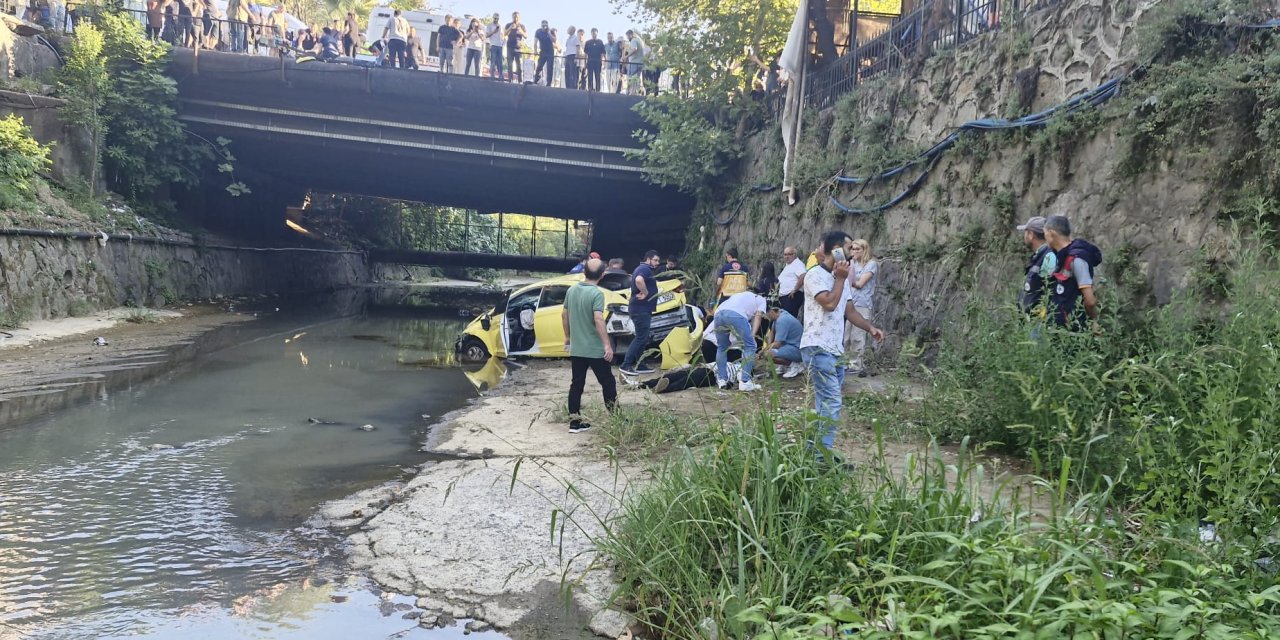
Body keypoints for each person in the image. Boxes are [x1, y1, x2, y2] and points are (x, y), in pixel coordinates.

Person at [802, 231, 884, 450]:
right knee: (831, 402)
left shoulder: (843, 279)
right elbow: (828, 303)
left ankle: (815, 452)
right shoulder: (814, 275)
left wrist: (870, 328)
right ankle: (821, 458)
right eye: (849, 249)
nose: (852, 254)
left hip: (834, 350)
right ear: (836, 250)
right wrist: (839, 278)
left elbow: (849, 310)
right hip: (817, 346)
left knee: (824, 404)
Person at [562, 258, 617, 434]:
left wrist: (568, 338)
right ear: (602, 275)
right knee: (608, 382)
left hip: (577, 348)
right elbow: (598, 319)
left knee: (576, 384)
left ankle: (574, 422)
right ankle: (616, 418)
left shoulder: (572, 290)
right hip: (594, 349)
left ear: (584, 272)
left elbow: (564, 315)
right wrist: (607, 345)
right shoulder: (597, 294)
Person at [1044, 215, 1102, 331]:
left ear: (1051, 233)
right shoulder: (1061, 257)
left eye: (1044, 233)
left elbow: (1090, 301)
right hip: (1060, 331)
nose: (1044, 237)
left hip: (1074, 333)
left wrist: (1093, 322)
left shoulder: (1077, 259)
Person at [714, 290, 767, 391]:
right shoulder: (761, 299)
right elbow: (758, 316)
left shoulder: (738, 295)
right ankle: (745, 382)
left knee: (722, 347)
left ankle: (722, 380)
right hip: (736, 314)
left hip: (719, 312)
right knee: (750, 346)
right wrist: (753, 334)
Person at [620, 250, 661, 376]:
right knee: (641, 338)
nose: (657, 263)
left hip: (641, 309)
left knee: (642, 338)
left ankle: (640, 364)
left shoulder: (642, 268)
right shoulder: (645, 269)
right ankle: (626, 365)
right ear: (648, 259)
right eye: (655, 260)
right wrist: (646, 292)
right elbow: (638, 280)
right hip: (640, 310)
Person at [844, 239, 878, 377]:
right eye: (852, 248)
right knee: (847, 336)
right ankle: (845, 362)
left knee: (857, 336)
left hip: (863, 303)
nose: (854, 251)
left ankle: (856, 364)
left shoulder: (871, 264)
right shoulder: (852, 264)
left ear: (864, 250)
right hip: (850, 302)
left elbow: (860, 283)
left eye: (857, 249)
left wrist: (846, 277)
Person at [1017, 216, 1056, 319]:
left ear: (1031, 235)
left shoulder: (1049, 256)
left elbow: (1049, 288)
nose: (1024, 236)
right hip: (1033, 320)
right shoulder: (1039, 256)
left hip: (1040, 322)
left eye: (1026, 232)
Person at [763, 305, 805, 378]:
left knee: (768, 354)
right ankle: (784, 366)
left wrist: (764, 350)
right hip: (790, 346)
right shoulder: (780, 315)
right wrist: (768, 345)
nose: (766, 318)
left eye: (766, 316)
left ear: (771, 312)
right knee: (770, 350)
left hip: (797, 349)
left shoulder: (782, 320)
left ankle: (794, 366)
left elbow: (777, 343)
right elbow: (772, 332)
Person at [778, 246, 806, 318]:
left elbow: (803, 275)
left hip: (792, 296)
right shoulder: (788, 265)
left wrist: (795, 290)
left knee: (786, 318)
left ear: (794, 255)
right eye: (785, 254)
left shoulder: (797, 264)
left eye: (789, 254)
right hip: (785, 297)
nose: (786, 256)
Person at [505, 12, 526, 82]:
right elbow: (504, 34)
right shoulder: (508, 25)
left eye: (517, 17)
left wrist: (521, 31)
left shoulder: (522, 26)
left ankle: (520, 80)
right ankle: (510, 79)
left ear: (519, 18)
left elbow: (526, 36)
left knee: (518, 64)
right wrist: (510, 28)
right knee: (510, 64)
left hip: (518, 47)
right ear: (512, 17)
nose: (515, 18)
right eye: (514, 17)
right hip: (510, 46)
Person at [534, 20, 555, 86]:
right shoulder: (538, 31)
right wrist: (535, 50)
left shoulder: (551, 31)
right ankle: (536, 81)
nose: (544, 26)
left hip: (550, 51)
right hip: (542, 51)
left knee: (549, 68)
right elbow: (535, 42)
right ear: (541, 25)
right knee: (539, 66)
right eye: (543, 25)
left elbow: (554, 40)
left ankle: (549, 83)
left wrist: (549, 32)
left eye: (545, 25)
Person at [486, 13, 504, 79]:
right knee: (493, 61)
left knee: (500, 62)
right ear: (493, 18)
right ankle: (492, 76)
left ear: (499, 19)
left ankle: (500, 76)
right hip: (493, 45)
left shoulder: (500, 26)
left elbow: (502, 35)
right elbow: (486, 35)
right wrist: (493, 31)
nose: (496, 19)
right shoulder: (489, 25)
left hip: (500, 45)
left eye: (497, 18)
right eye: (495, 18)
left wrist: (502, 43)